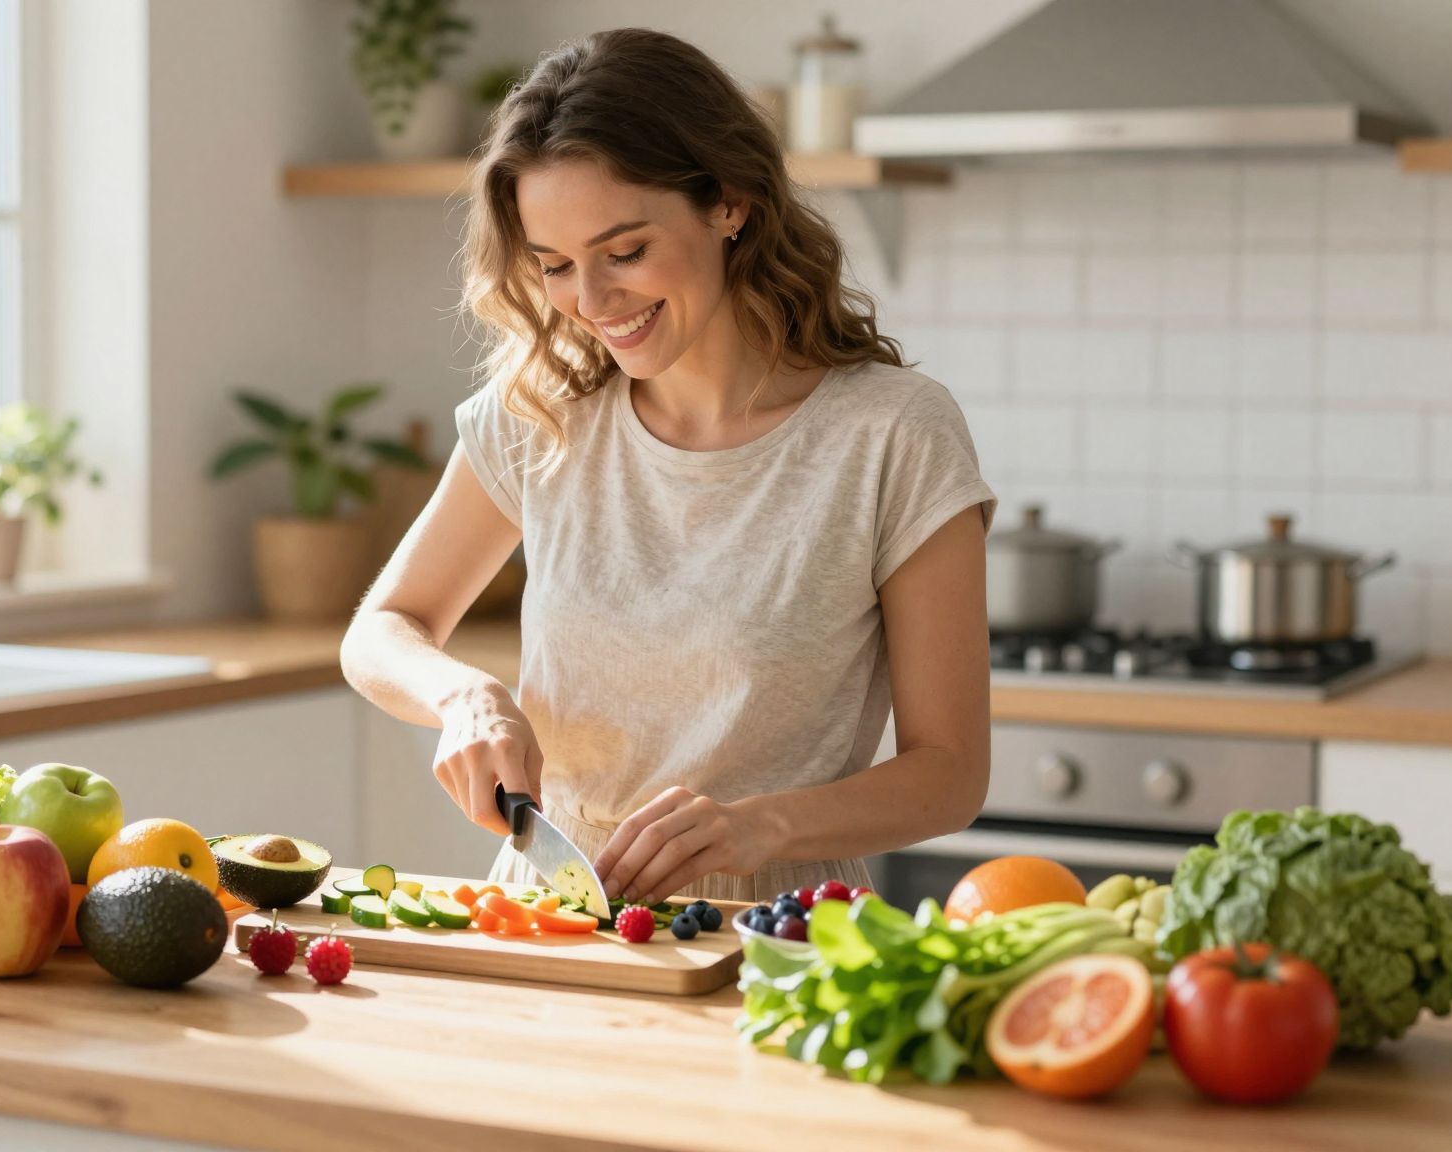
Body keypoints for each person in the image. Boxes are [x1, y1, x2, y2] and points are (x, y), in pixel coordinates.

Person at [340, 28, 994, 904]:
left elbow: (951, 772)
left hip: (781, 939)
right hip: (550, 918)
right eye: (557, 266)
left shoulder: (892, 434)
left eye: (625, 251)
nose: (593, 301)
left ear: (728, 202)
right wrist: (465, 698)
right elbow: (381, 630)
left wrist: (762, 825)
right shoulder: (542, 411)